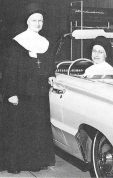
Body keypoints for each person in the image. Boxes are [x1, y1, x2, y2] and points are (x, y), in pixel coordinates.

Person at [1, 3, 55, 173]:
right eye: (34, 20)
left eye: (41, 20)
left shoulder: (45, 42)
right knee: (20, 128)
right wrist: (10, 93)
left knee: (37, 128)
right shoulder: (17, 42)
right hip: (21, 93)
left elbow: (48, 65)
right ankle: (17, 163)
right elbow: (9, 70)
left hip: (39, 94)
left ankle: (34, 162)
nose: (38, 23)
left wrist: (52, 74)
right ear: (27, 21)